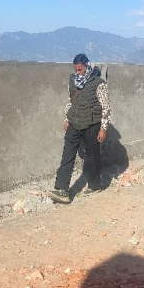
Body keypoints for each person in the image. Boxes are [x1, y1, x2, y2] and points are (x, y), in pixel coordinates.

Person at [47, 53, 111, 204]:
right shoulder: (73, 81)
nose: (78, 73)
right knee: (67, 155)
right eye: (76, 70)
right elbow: (70, 100)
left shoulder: (98, 83)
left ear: (87, 66)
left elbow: (106, 106)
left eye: (80, 70)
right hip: (74, 123)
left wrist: (103, 128)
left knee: (93, 155)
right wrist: (67, 118)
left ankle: (94, 185)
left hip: (92, 124)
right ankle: (62, 189)